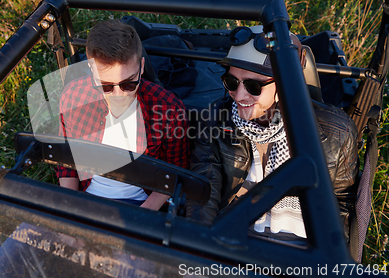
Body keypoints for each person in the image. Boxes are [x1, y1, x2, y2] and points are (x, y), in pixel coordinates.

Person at [187, 25, 358, 245]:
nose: (239, 95)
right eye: (231, 82)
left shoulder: (338, 132)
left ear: (286, 82)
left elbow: (341, 202)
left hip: (304, 244)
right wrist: (200, 244)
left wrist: (328, 258)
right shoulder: (215, 119)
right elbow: (204, 189)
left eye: (253, 86)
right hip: (235, 233)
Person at [56, 20, 190, 210]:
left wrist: (141, 218)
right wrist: (68, 207)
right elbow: (67, 160)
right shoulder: (74, 96)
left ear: (141, 67)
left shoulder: (167, 108)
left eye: (128, 84)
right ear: (92, 71)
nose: (119, 95)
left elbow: (176, 173)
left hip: (139, 205)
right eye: (107, 86)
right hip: (83, 198)